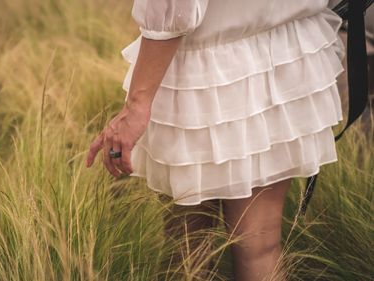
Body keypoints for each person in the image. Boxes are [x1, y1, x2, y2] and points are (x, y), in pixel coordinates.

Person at [85, 0, 345, 280]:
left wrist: (138, 103)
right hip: (289, 54)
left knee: (188, 242)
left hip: (204, 66)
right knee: (260, 246)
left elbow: (173, 7)